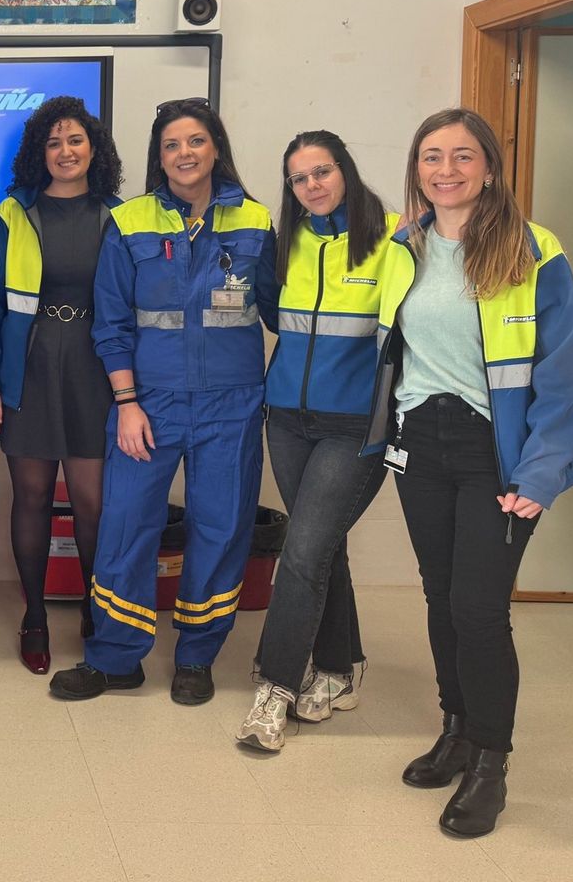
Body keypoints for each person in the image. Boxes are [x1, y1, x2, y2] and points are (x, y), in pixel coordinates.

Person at [364, 108, 573, 838]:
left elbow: (564, 374)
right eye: (432, 156)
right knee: (441, 597)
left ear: (489, 168)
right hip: (420, 443)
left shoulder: (534, 250)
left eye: (463, 156)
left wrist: (540, 472)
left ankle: (491, 763)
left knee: (479, 609)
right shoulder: (404, 245)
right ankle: (457, 731)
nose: (447, 170)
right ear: (417, 169)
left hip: (497, 452)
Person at [49, 97, 277, 704]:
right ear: (159, 156)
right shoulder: (129, 222)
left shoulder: (256, 220)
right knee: (126, 525)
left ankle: (197, 657)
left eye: (195, 141)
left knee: (221, 527)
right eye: (171, 144)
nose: (184, 154)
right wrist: (127, 403)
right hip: (147, 404)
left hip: (231, 404)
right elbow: (111, 323)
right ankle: (115, 658)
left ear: (216, 148)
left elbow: (285, 307)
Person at [236, 130, 396, 751]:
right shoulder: (287, 243)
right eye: (299, 179)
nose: (312, 186)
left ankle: (274, 688)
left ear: (345, 170)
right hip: (287, 419)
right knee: (322, 544)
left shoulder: (393, 240)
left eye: (322, 172)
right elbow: (274, 315)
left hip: (354, 426)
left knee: (302, 552)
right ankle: (338, 667)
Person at [0, 96, 125, 674]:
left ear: (94, 149)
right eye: (53, 142)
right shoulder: (13, 214)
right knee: (31, 497)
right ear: (40, 153)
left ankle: (94, 609)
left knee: (92, 503)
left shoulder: (119, 216)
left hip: (95, 370)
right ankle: (34, 616)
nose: (65, 151)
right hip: (27, 371)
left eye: (75, 140)